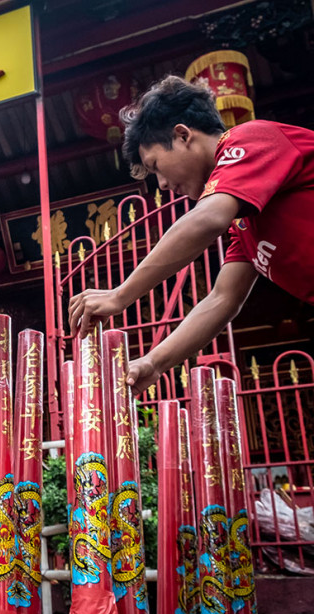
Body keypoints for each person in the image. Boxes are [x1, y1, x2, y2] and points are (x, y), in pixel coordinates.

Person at [68, 75, 314, 393]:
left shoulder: (251, 138)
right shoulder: (244, 224)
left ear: (183, 135)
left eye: (156, 165)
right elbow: (223, 298)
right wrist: (153, 362)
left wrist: (120, 295)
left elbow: (208, 218)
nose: (162, 184)